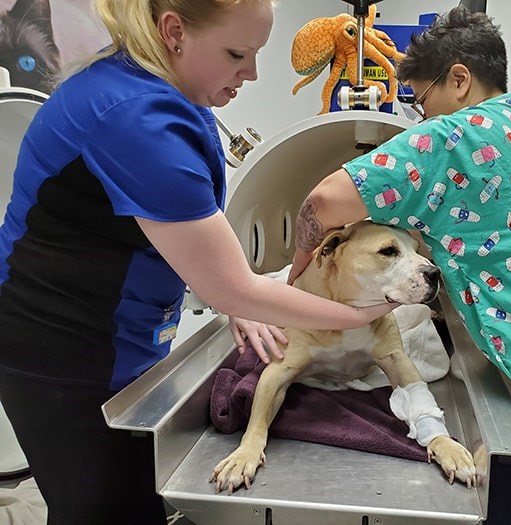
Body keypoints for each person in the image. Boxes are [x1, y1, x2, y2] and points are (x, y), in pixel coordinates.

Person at [0, 1, 398, 523]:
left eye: (256, 54)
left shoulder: (170, 96)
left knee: (128, 491)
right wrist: (362, 315)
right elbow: (233, 285)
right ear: (173, 32)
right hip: (59, 349)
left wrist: (230, 291)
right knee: (97, 505)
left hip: (116, 330)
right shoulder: (134, 118)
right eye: (237, 53)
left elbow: (192, 236)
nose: (252, 73)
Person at [288, 7, 511, 525]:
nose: (421, 117)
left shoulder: (452, 135)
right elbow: (495, 232)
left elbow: (322, 203)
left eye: (421, 99)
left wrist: (296, 273)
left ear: (458, 78)